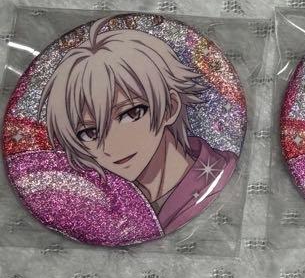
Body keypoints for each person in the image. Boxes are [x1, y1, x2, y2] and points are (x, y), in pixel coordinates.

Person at [42, 19, 236, 232]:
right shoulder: (103, 209)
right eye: (89, 132)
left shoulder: (224, 180)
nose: (111, 145)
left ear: (170, 107)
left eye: (130, 114)